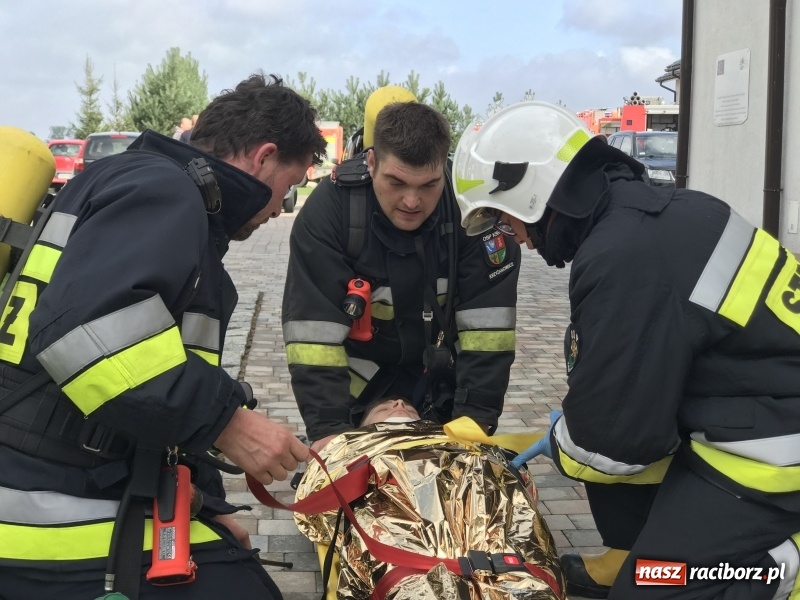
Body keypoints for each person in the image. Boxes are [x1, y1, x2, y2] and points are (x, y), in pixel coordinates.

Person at [451, 100, 800, 599]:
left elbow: (612, 442)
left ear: (530, 195)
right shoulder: (667, 212)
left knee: (654, 586)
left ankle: (777, 568)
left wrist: (555, 441)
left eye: (507, 222)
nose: (519, 240)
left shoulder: (621, 254)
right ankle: (640, 550)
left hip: (772, 457)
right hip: (754, 411)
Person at [0, 72, 327, 600]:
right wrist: (227, 421)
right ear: (264, 157)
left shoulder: (128, 179)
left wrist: (209, 506)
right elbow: (85, 335)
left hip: (67, 472)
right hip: (40, 504)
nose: (277, 212)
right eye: (287, 191)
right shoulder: (165, 191)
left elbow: (155, 372)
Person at [282, 89, 521, 453]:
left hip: (441, 381)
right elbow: (312, 338)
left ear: (446, 167)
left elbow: (489, 336)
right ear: (372, 163)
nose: (412, 202)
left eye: (429, 185)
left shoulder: (474, 216)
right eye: (397, 183)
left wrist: (473, 424)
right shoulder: (330, 213)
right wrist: (329, 432)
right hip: (357, 389)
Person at [294, 396, 566, 600]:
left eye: (407, 406)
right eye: (385, 406)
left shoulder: (461, 437)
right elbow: (318, 503)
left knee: (526, 582)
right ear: (366, 425)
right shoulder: (350, 445)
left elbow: (518, 489)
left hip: (484, 511)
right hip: (400, 524)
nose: (399, 402)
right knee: (418, 586)